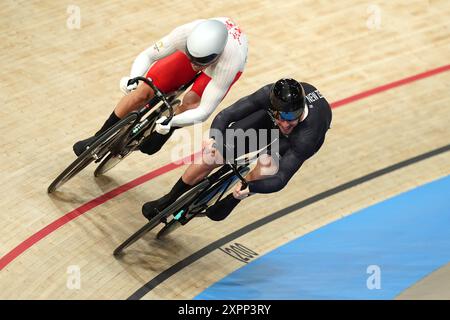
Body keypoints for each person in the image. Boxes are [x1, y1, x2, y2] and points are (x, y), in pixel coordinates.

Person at [142, 78, 332, 221]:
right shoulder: (267, 95)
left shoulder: (307, 136)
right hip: (267, 121)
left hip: (294, 140)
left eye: (290, 118)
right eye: (280, 117)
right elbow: (227, 115)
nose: (284, 124)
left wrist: (252, 187)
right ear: (272, 106)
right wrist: (213, 138)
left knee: (265, 168)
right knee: (213, 155)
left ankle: (234, 198)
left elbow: (281, 179)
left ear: (299, 112)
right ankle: (169, 198)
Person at [73, 17, 248, 156]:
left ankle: (164, 129)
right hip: (200, 52)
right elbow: (148, 55)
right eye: (192, 59)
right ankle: (98, 138)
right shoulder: (185, 34)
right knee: (144, 91)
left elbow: (203, 112)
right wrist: (132, 78)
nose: (195, 66)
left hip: (219, 69)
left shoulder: (229, 64)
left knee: (190, 102)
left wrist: (172, 122)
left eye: (200, 63)